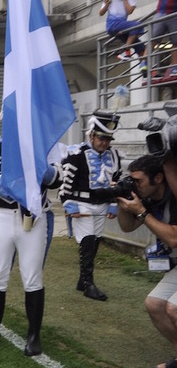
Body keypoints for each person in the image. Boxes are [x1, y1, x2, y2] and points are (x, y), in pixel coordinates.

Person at [0, 133, 62, 356]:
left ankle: (33, 336)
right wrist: (18, 176)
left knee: (32, 277)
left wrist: (36, 164)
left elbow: (57, 178)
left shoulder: (43, 147)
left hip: (33, 218)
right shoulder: (0, 146)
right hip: (1, 216)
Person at [115, 155, 177, 368]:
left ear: (158, 178)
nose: (135, 185)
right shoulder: (148, 198)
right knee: (154, 304)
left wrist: (141, 211)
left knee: (173, 308)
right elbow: (127, 226)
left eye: (138, 181)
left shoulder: (173, 197)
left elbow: (173, 239)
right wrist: (122, 202)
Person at [59, 111, 122, 301]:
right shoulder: (77, 154)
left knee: (94, 244)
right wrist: (70, 206)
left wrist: (113, 204)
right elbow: (66, 184)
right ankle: (88, 284)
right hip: (82, 204)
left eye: (108, 139)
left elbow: (116, 183)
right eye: (101, 138)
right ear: (92, 135)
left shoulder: (114, 156)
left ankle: (82, 280)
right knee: (86, 243)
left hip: (102, 205)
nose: (105, 143)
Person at [99, 0, 147, 72]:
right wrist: (106, 4)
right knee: (137, 25)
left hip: (122, 26)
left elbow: (130, 11)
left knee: (141, 47)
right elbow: (101, 13)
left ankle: (144, 69)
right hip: (112, 24)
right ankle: (126, 50)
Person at [152, 0, 177, 80]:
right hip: (161, 13)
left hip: (174, 15)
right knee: (153, 39)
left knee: (175, 42)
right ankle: (146, 67)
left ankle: (174, 67)